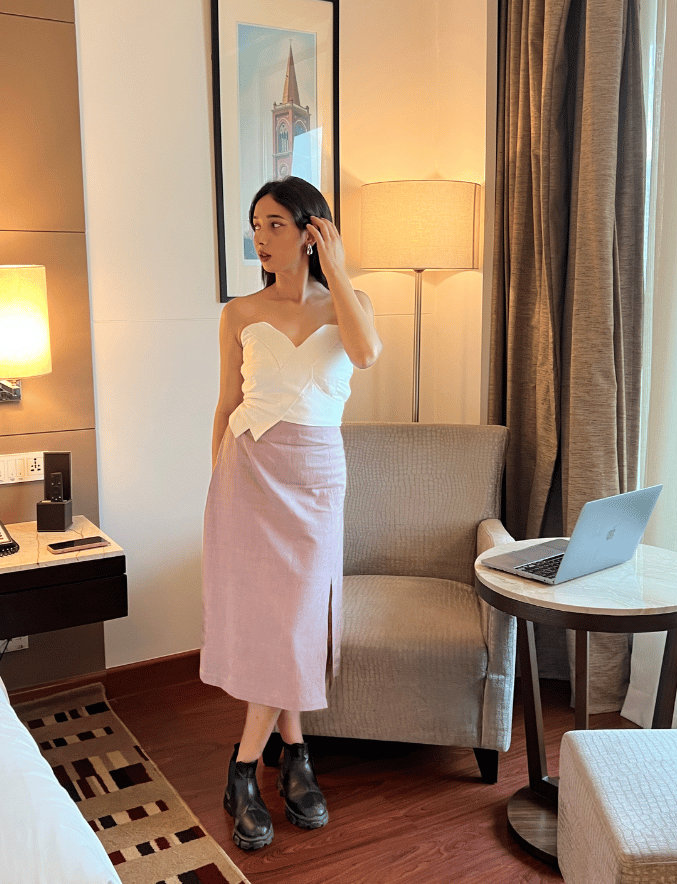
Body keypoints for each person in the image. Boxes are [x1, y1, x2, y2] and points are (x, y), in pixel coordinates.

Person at [200, 176, 382, 850]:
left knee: (299, 613)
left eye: (274, 223)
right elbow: (225, 404)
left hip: (314, 481)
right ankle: (295, 751)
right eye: (255, 224)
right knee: (270, 618)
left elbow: (365, 354)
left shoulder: (350, 305)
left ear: (310, 231)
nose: (259, 236)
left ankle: (243, 767)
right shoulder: (238, 313)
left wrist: (336, 270)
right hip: (247, 474)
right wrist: (213, 482)